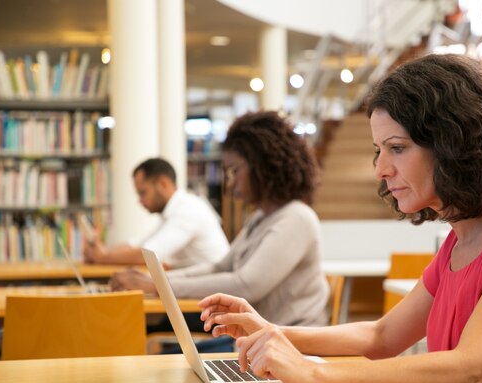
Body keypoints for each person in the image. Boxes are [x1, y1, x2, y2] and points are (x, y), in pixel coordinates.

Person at [197, 54, 482, 383]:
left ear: (455, 144)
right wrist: (270, 331)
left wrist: (312, 372)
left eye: (397, 148)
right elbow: (382, 337)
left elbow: (470, 371)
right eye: (379, 151)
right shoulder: (461, 241)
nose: (381, 169)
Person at [110, 111, 330, 328]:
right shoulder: (262, 218)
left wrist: (157, 284)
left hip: (293, 349)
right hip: (259, 344)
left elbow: (245, 285)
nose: (231, 184)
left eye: (234, 171)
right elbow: (220, 267)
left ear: (262, 166)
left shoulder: (296, 218)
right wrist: (154, 280)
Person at [83, 157, 229, 269]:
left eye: (143, 193)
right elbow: (135, 244)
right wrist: (103, 252)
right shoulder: (172, 212)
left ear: (162, 184)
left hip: (214, 297)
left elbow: (149, 255)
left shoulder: (188, 210)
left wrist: (103, 257)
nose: (140, 201)